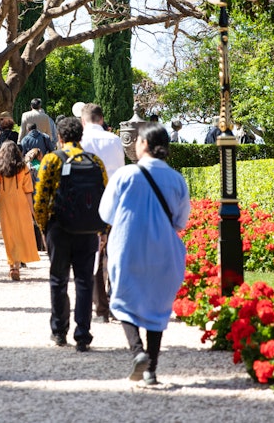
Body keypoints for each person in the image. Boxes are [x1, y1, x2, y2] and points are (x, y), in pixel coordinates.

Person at [98, 123, 189, 386]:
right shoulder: (176, 179)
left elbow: (106, 213)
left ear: (144, 144)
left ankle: (137, 351)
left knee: (123, 302)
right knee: (157, 308)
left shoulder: (125, 175)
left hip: (127, 247)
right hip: (163, 249)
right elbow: (181, 221)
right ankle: (152, 369)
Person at [34, 116, 108, 352]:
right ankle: (83, 334)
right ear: (80, 137)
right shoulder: (95, 162)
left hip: (60, 228)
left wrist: (44, 227)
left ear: (60, 137)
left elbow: (41, 198)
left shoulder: (52, 160)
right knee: (85, 282)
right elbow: (104, 196)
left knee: (59, 280)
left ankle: (59, 331)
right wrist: (103, 230)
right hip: (88, 230)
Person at [80, 103, 125, 324]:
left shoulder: (81, 141)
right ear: (102, 118)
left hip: (89, 202)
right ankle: (114, 299)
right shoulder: (115, 139)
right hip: (115, 201)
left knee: (93, 252)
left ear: (83, 120)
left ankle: (100, 306)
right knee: (114, 252)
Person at [0, 140, 40, 280]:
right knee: (20, 234)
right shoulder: (23, 167)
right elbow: (28, 190)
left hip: (5, 203)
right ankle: (17, 266)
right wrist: (32, 210)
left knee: (9, 234)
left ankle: (12, 264)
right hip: (22, 202)